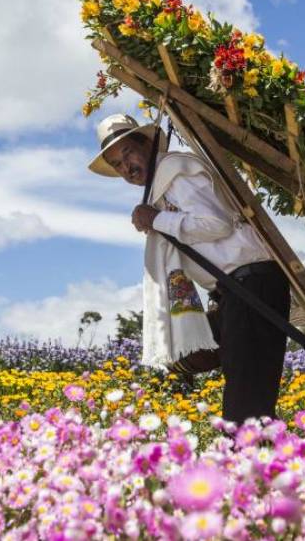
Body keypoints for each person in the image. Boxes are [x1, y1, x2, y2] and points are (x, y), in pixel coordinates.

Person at [88, 113, 291, 424]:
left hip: (253, 285)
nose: (126, 167)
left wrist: (155, 220)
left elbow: (216, 224)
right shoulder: (162, 187)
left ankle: (253, 466)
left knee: (246, 409)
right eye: (117, 164)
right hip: (236, 291)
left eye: (127, 152)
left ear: (147, 143)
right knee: (234, 390)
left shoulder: (174, 172)